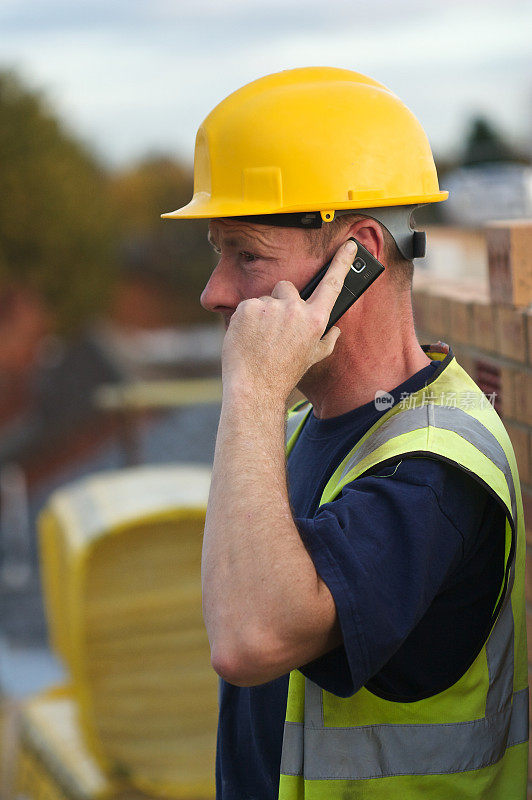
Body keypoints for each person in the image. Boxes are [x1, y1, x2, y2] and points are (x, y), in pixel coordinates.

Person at [162, 68, 528, 800]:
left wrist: (253, 390)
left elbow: (248, 641)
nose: (214, 293)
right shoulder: (302, 427)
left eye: (247, 255)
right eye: (217, 254)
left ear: (358, 255)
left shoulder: (431, 471)